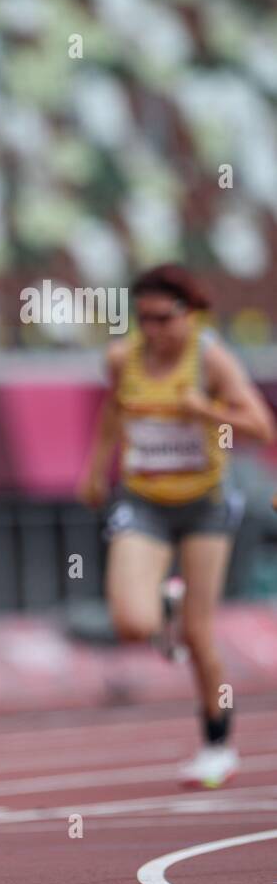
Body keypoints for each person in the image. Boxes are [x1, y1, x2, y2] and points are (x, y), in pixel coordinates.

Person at [79, 264, 275, 788]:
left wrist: (207, 412)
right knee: (131, 623)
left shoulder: (212, 361)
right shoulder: (123, 358)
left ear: (190, 315)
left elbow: (259, 426)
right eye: (143, 319)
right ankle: (164, 600)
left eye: (164, 318)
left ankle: (217, 746)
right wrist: (97, 467)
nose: (154, 330)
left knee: (198, 632)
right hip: (143, 499)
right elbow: (114, 414)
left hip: (204, 503)